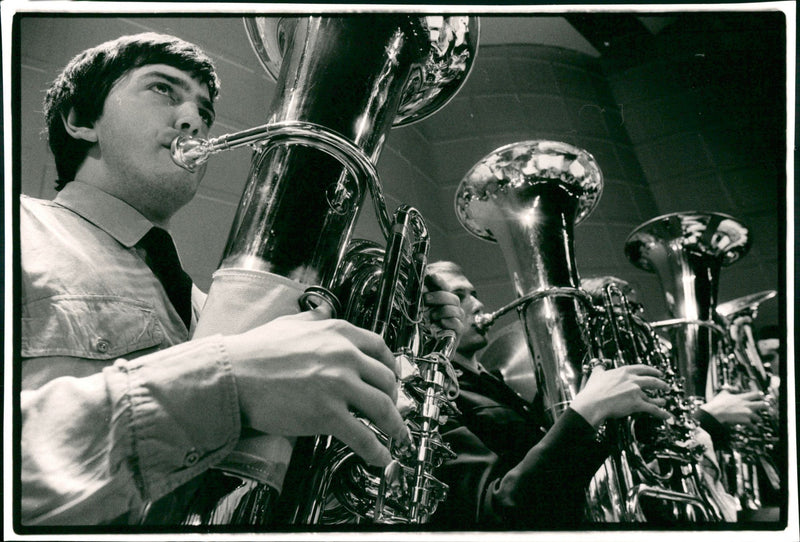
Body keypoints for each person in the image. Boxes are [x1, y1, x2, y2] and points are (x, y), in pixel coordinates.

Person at [19, 32, 413, 526]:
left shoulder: (211, 309)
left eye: (204, 112)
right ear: (81, 121)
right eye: (162, 89)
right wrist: (225, 384)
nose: (193, 122)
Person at [421, 262, 675, 529]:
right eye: (459, 296)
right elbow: (495, 511)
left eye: (474, 294)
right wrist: (588, 411)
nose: (477, 303)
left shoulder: (499, 385)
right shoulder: (434, 398)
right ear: (431, 313)